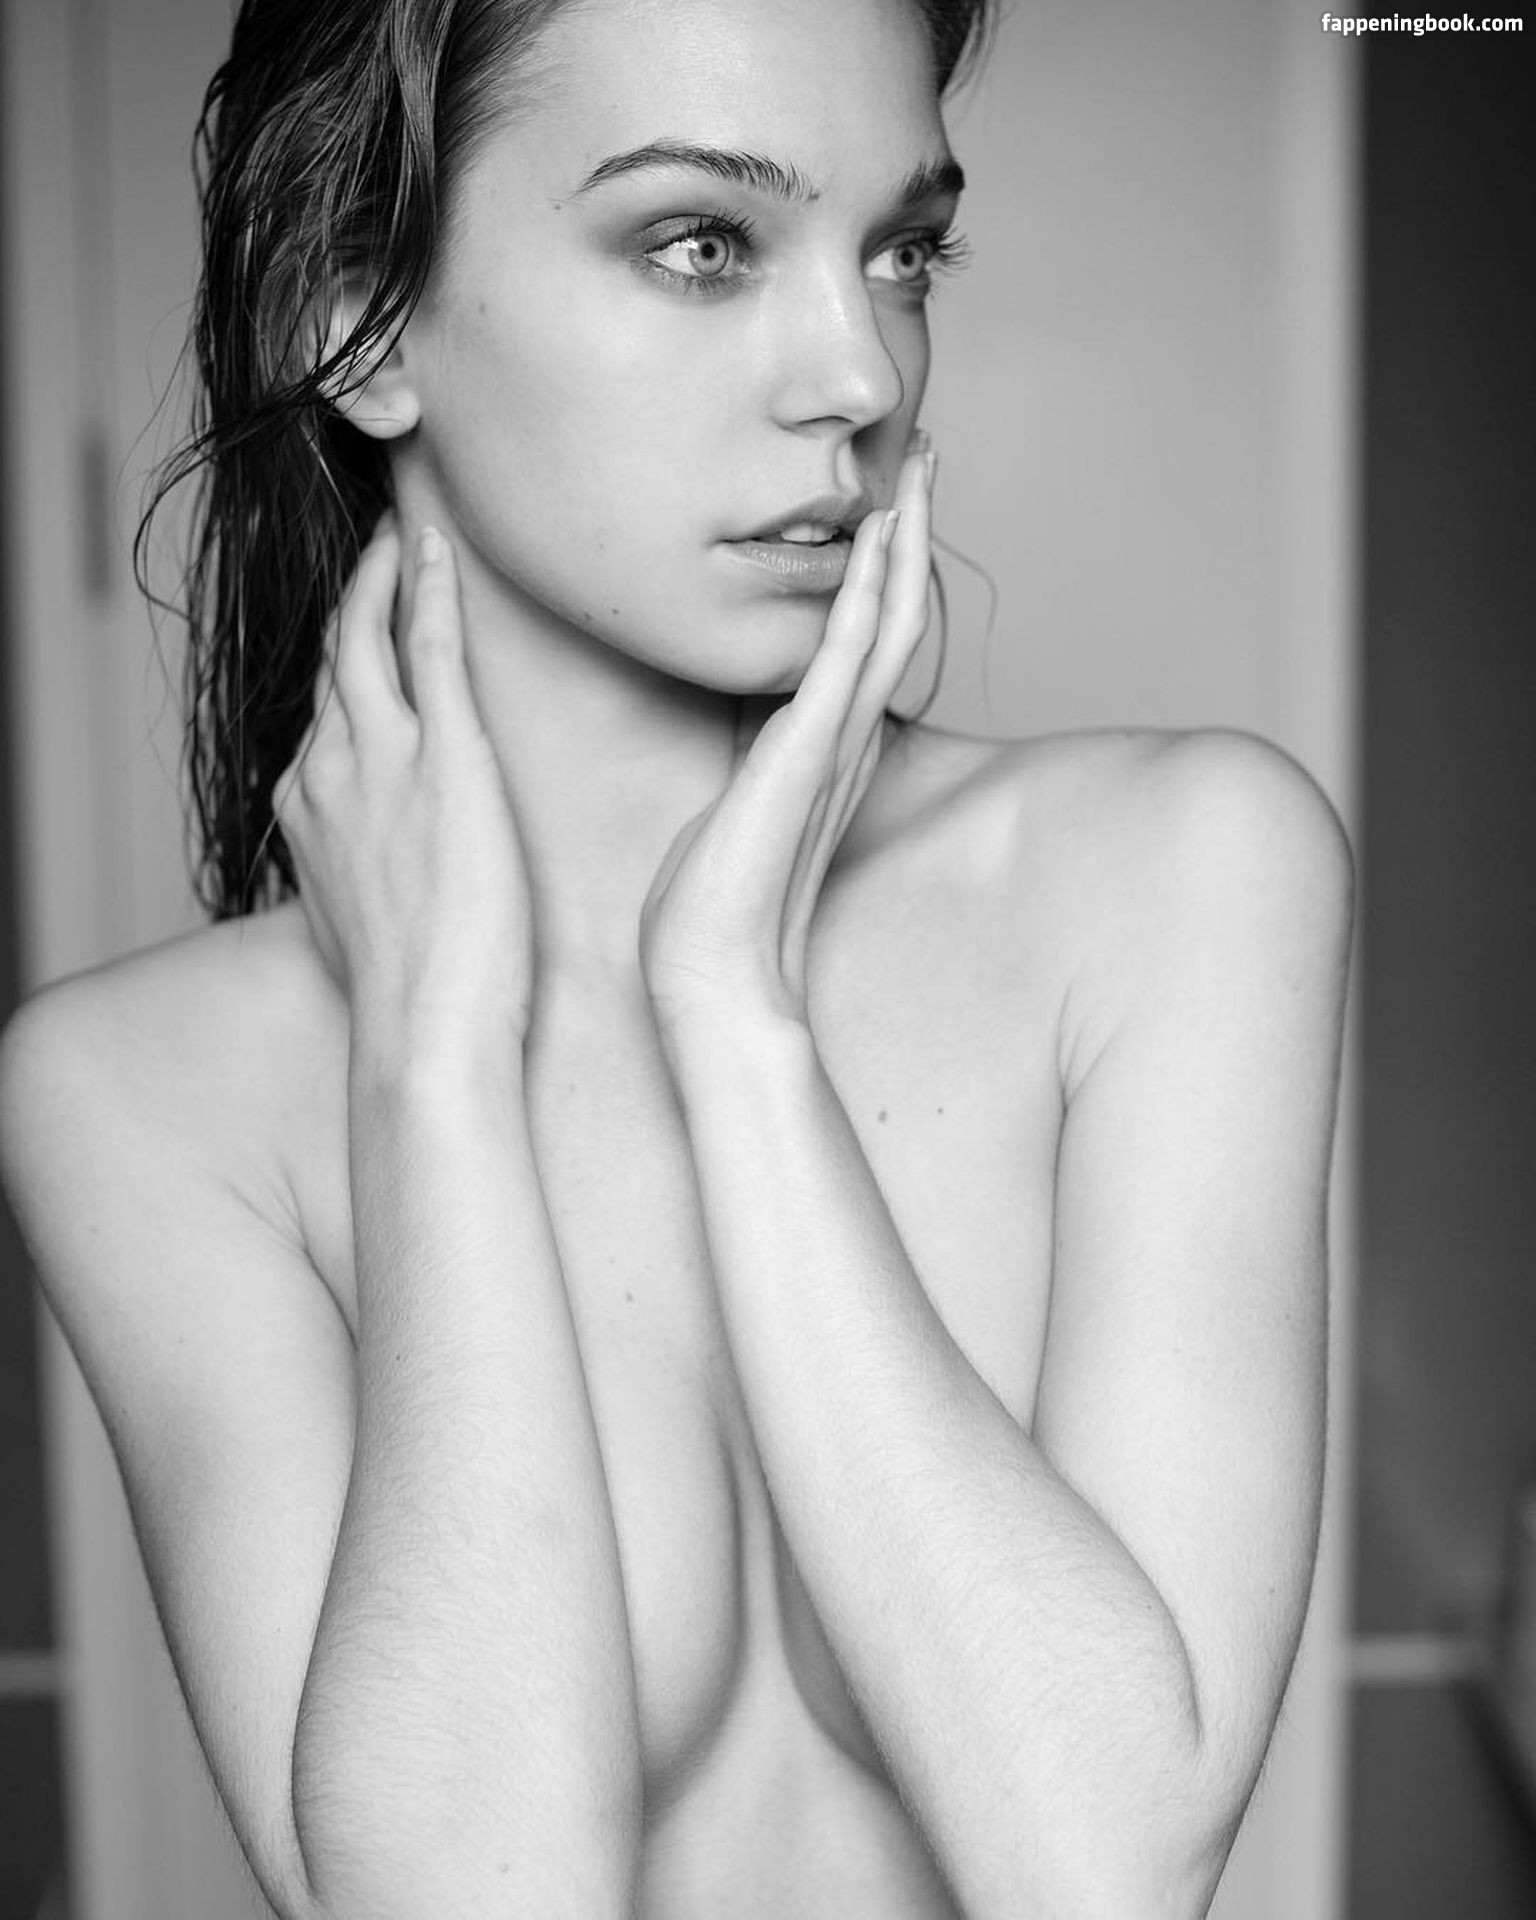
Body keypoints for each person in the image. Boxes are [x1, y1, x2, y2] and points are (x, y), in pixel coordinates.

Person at [0, 0, 1354, 1914]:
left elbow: (1103, 1869)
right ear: (354, 316)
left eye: (904, 250)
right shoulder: (138, 1096)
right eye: (703, 243)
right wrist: (431, 1068)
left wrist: (734, 1012)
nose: (861, 370)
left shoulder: (1179, 875)